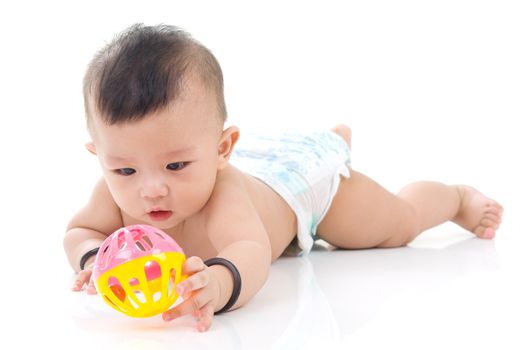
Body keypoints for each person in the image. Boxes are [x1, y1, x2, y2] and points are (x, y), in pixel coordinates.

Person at [64, 23, 503, 332]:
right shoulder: (115, 193)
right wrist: (92, 259)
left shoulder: (223, 194)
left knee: (396, 225)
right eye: (124, 169)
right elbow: (81, 230)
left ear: (221, 150)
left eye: (176, 166)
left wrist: (217, 284)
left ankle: (455, 198)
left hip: (301, 192)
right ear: (99, 156)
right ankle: (331, 137)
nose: (151, 188)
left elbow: (251, 251)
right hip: (265, 167)